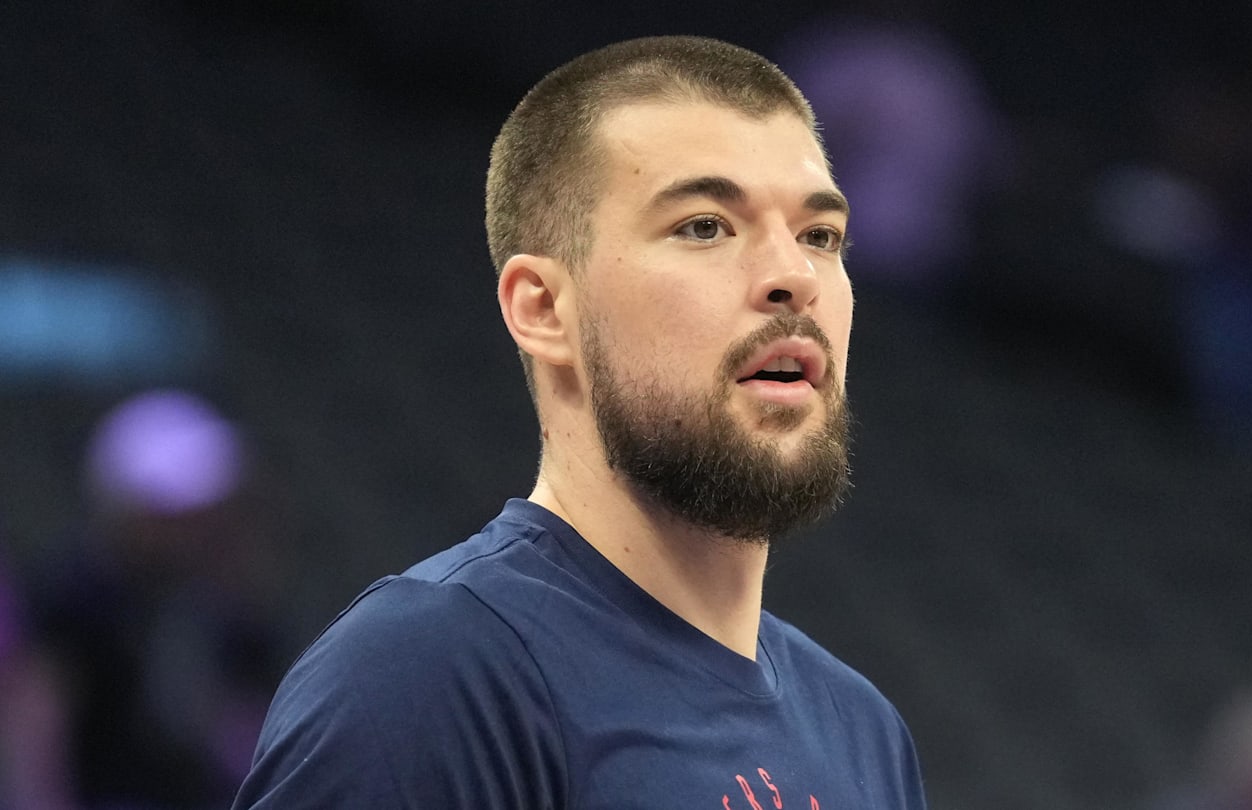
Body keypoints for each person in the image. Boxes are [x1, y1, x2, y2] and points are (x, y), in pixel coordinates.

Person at [234, 35, 927, 809]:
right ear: (543, 309)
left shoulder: (865, 731)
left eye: (819, 235)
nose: (794, 277)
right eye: (705, 225)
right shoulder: (431, 675)